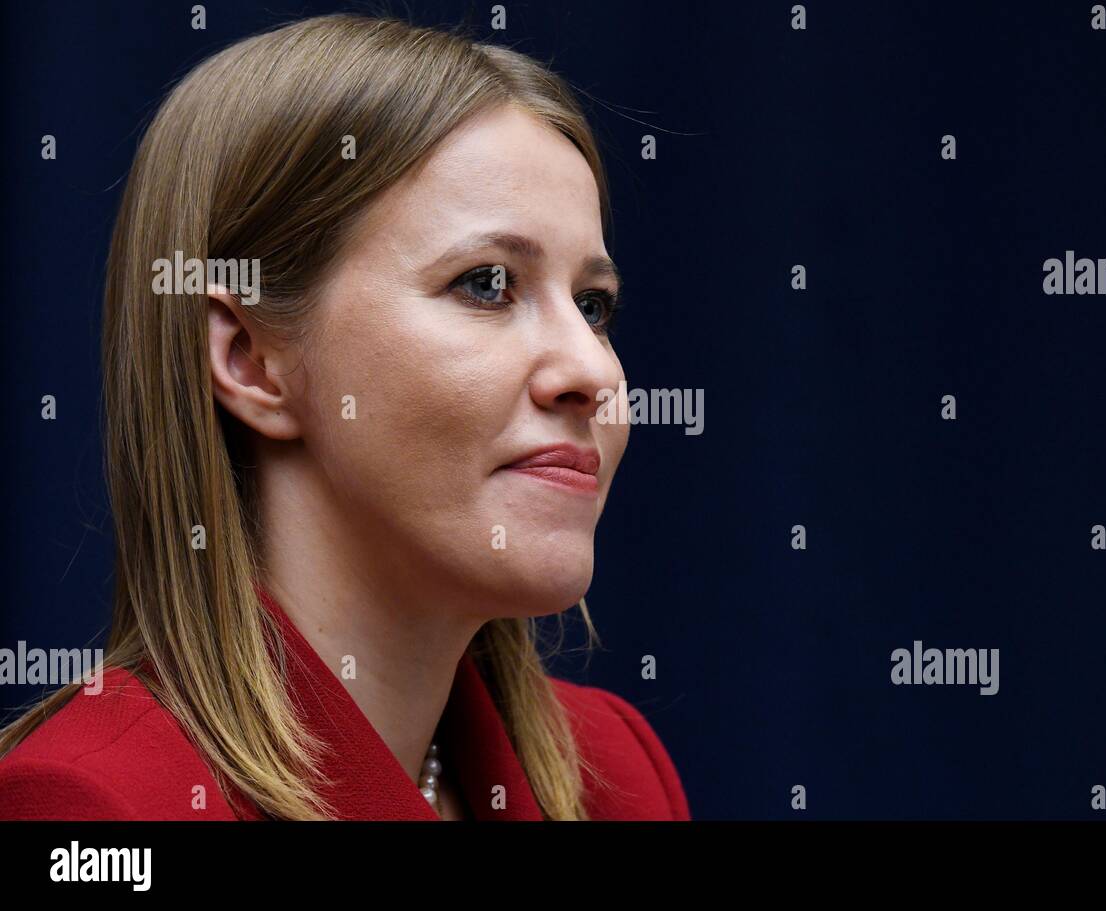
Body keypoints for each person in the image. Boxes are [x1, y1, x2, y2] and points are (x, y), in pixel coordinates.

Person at [0, 13, 690, 821]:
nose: (594, 371)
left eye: (593, 305)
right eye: (487, 284)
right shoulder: (94, 808)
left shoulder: (616, 775)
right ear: (250, 361)